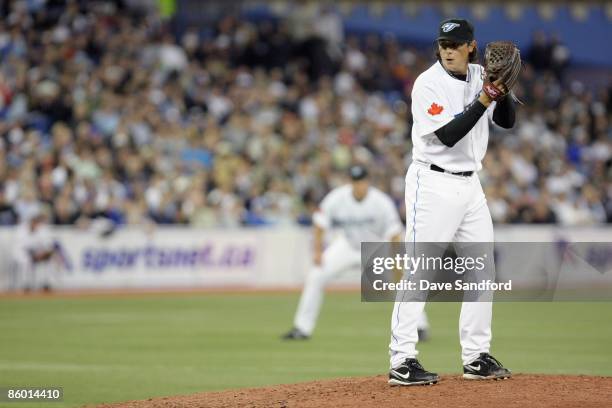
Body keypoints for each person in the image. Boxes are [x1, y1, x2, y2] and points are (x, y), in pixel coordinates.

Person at [388, 18, 514, 385]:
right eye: (443, 43)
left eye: (456, 44)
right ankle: (402, 359)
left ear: (471, 46)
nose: (448, 49)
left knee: (482, 270)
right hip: (433, 181)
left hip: (470, 185)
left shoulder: (479, 74)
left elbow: (506, 122)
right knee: (421, 268)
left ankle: (476, 356)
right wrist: (485, 98)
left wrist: (504, 90)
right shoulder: (428, 83)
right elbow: (447, 136)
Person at [283, 165, 430, 340]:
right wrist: (317, 251)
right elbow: (319, 223)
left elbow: (394, 234)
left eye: (361, 181)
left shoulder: (381, 202)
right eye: (355, 181)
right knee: (316, 276)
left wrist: (397, 261)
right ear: (350, 182)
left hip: (375, 247)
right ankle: (302, 328)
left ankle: (419, 325)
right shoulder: (337, 198)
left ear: (367, 182)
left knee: (403, 280)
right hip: (347, 245)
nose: (358, 185)